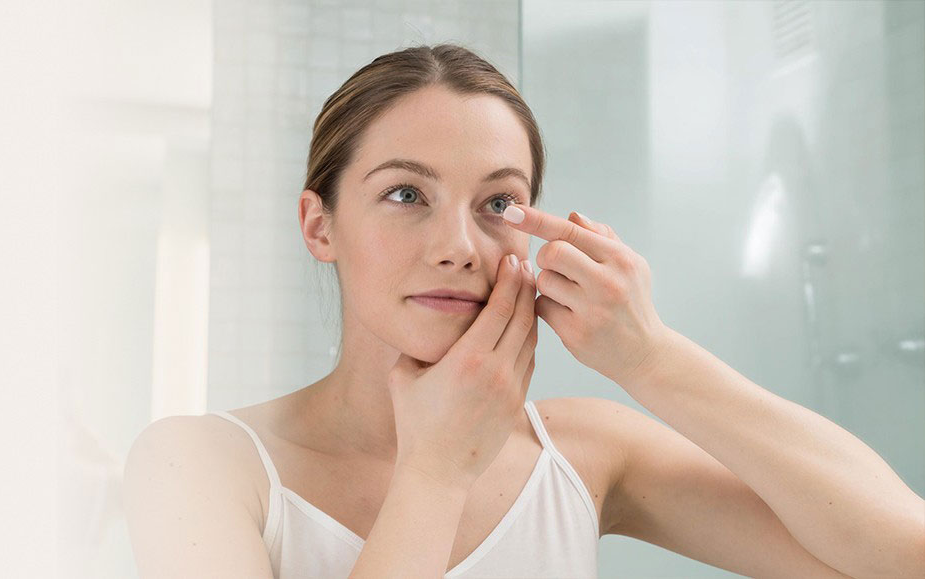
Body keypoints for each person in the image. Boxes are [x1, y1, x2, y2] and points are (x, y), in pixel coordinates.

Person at [123, 43, 925, 578]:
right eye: (406, 193)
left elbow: (903, 551)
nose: (458, 244)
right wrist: (435, 471)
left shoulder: (583, 452)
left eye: (498, 201)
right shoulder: (201, 463)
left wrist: (651, 356)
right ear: (319, 224)